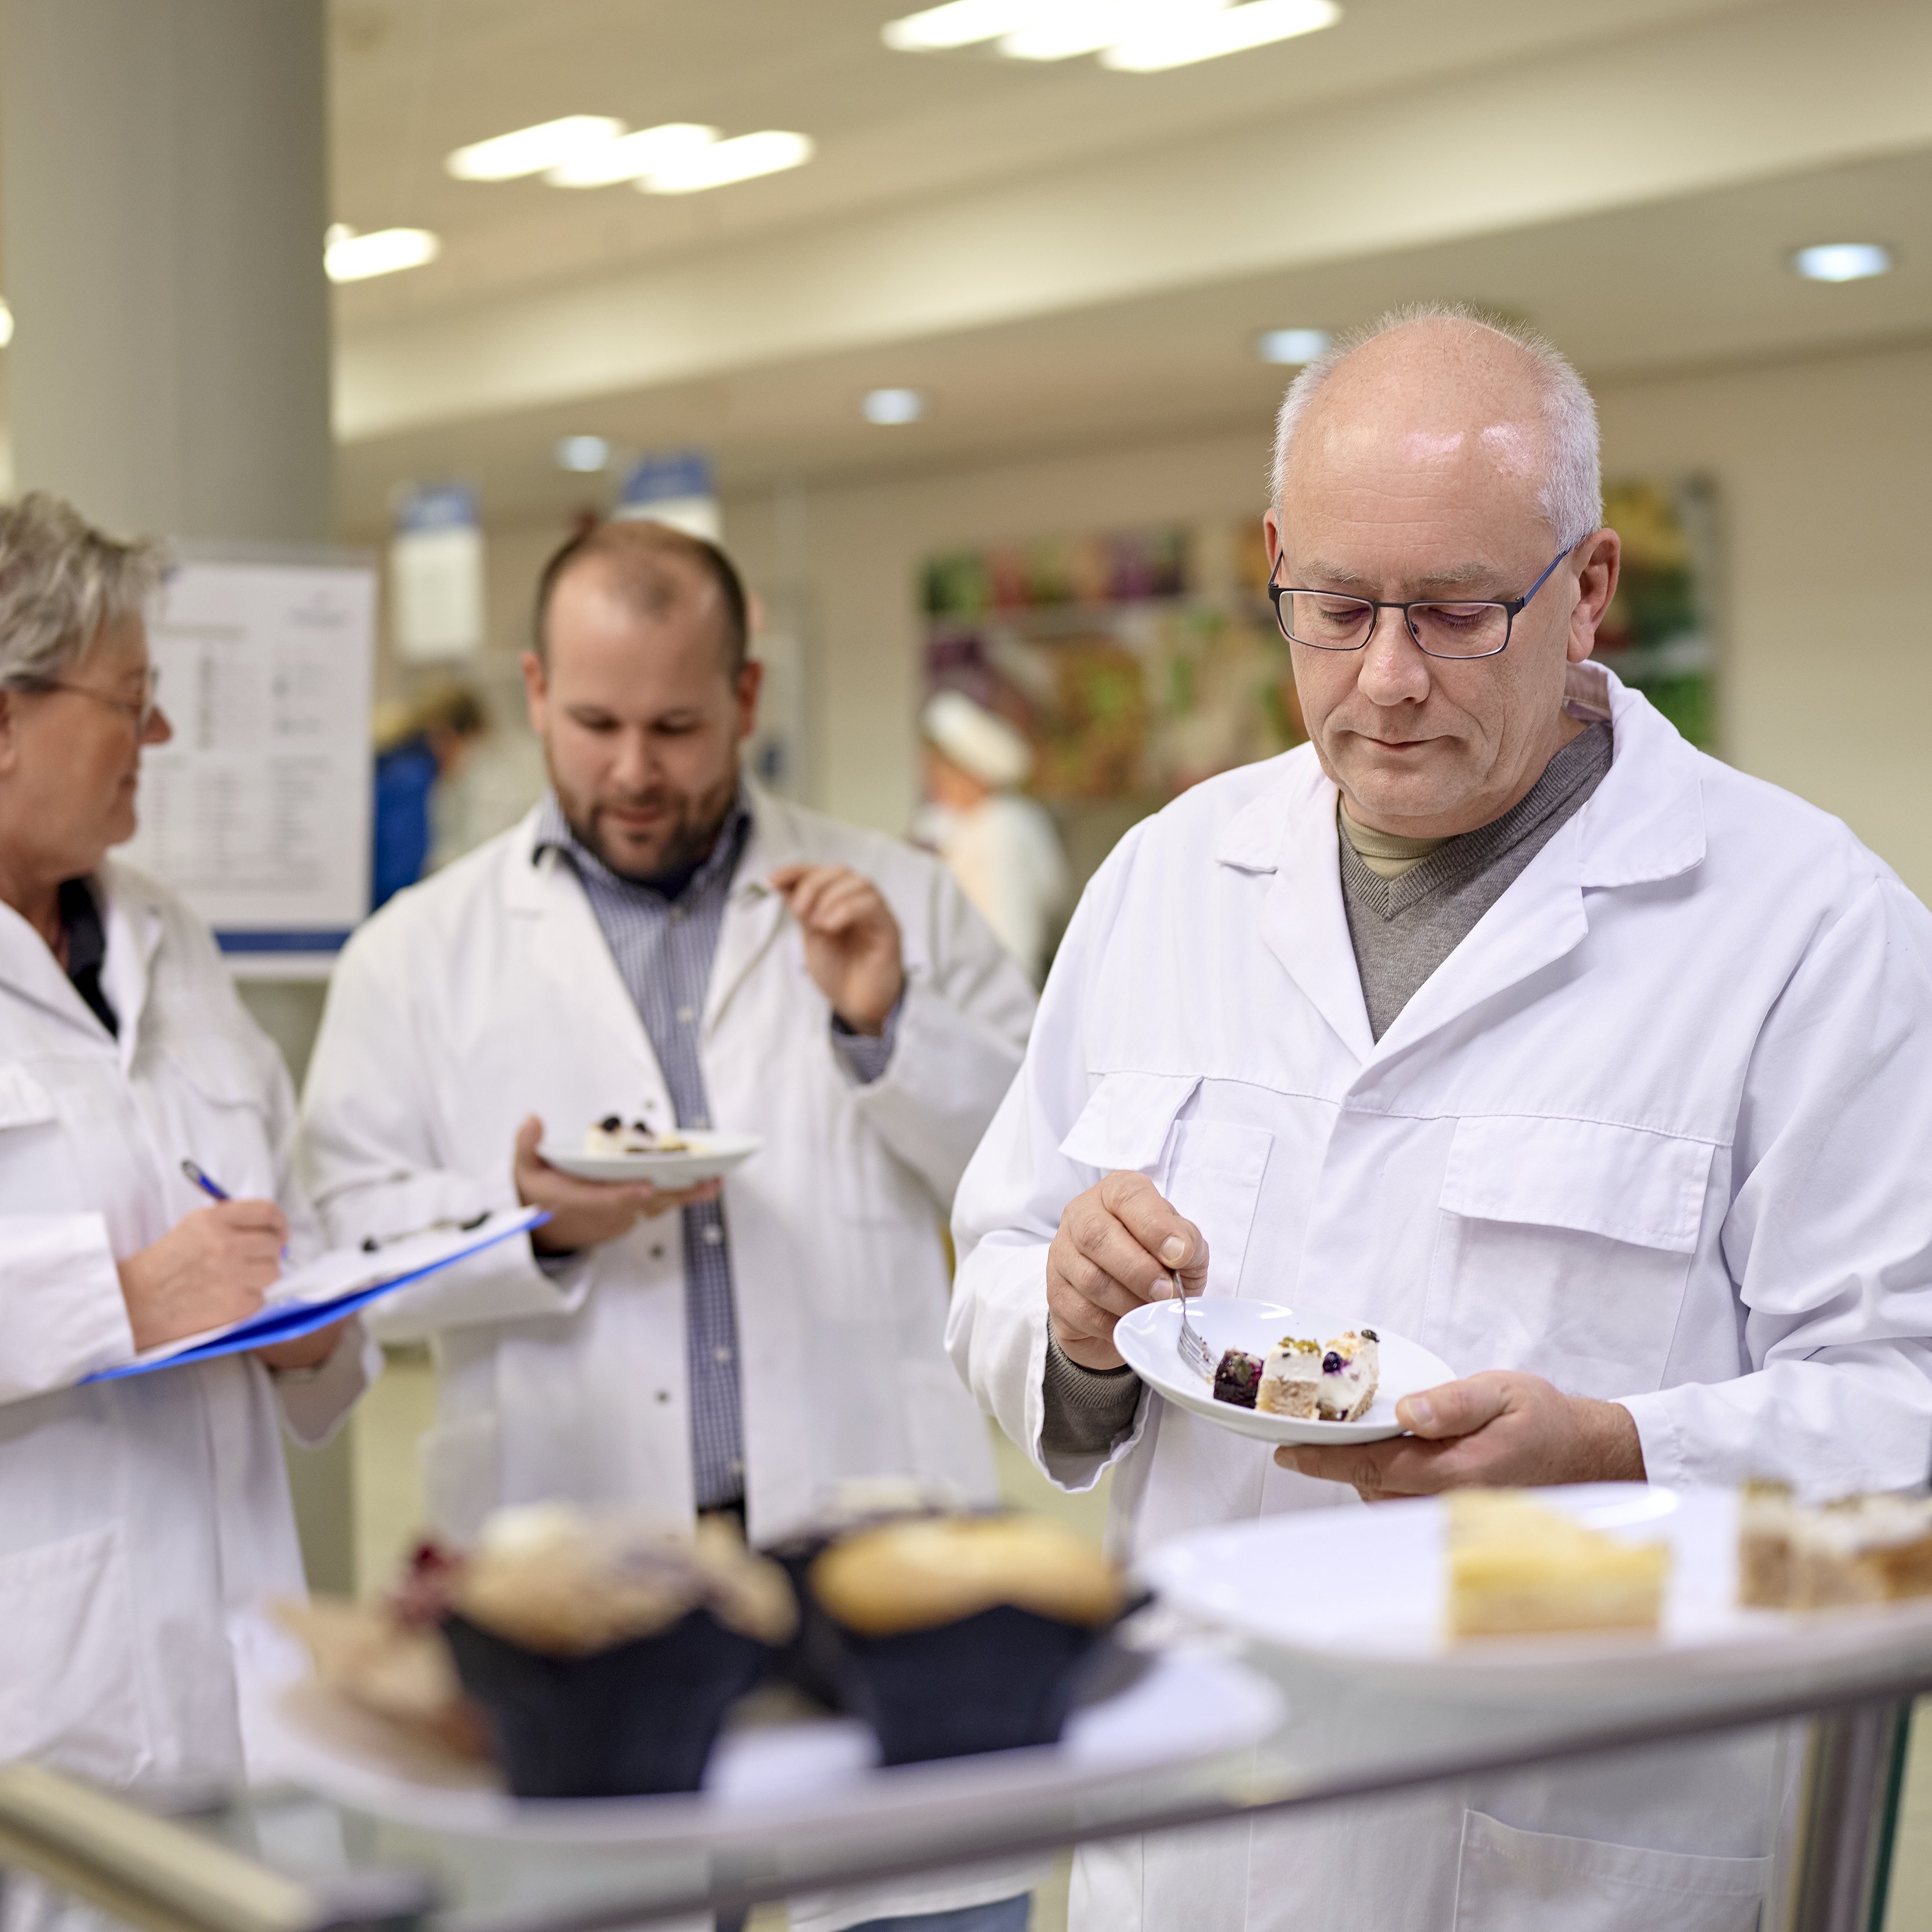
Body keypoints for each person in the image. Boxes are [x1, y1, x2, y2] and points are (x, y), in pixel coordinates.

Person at [946, 305, 1932, 1930]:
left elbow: (1904, 1416)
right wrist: (1067, 1319)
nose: (1386, 679)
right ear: (1274, 564)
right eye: (1333, 608)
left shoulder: (1806, 927)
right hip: (1196, 1836)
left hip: (1570, 1849)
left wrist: (1615, 1452)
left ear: (1589, 588)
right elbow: (995, 1251)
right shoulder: (1166, 881)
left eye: (1458, 613)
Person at [300, 519, 1039, 1932]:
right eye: (594, 722)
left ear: (747, 701)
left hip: (861, 1548)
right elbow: (340, 1250)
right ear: (532, 693)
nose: (634, 769)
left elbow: (1029, 1169)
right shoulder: (417, 954)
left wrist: (887, 1023)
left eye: (677, 725)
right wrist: (529, 1227)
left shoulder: (901, 903)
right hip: (580, 1578)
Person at [0, 496, 372, 1815]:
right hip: (40, 1717)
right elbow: (136, 1288)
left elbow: (292, 1225)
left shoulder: (171, 940)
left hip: (240, 1692)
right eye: (131, 697)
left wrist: (314, 1328)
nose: (160, 733)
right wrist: (112, 1302)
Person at [915, 689, 1068, 987]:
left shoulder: (1007, 824)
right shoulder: (937, 824)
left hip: (991, 990)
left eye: (945, 770)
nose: (934, 779)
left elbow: (1016, 933)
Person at [370, 682, 489, 908]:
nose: (468, 760)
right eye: (470, 745)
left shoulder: (393, 766)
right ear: (446, 735)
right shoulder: (410, 779)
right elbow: (397, 880)